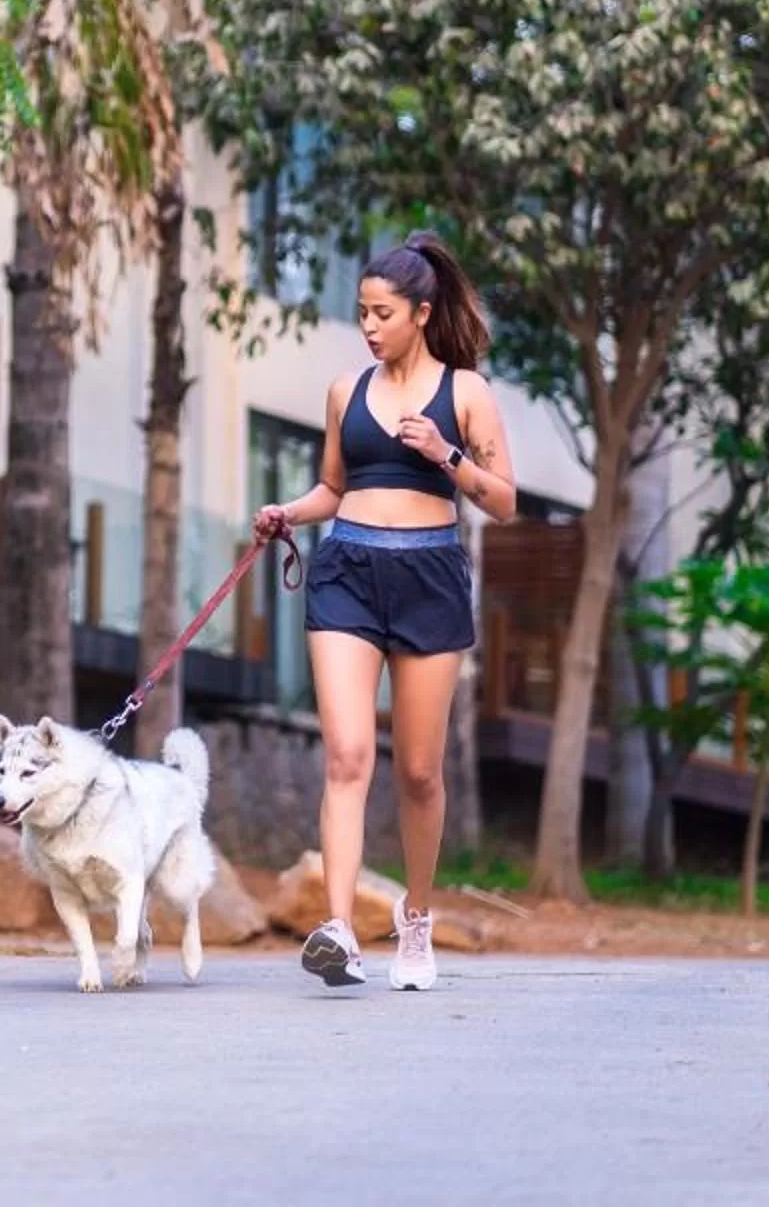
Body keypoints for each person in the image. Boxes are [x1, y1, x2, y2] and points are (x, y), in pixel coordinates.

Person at [251, 232, 516, 991]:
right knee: (346, 756)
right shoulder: (346, 392)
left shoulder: (465, 394)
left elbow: (502, 500)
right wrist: (288, 514)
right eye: (361, 312)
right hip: (348, 571)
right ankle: (337, 928)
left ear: (422, 314)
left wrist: (445, 453)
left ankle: (417, 921)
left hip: (429, 574)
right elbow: (333, 487)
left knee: (422, 775)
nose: (368, 326)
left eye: (381, 313)